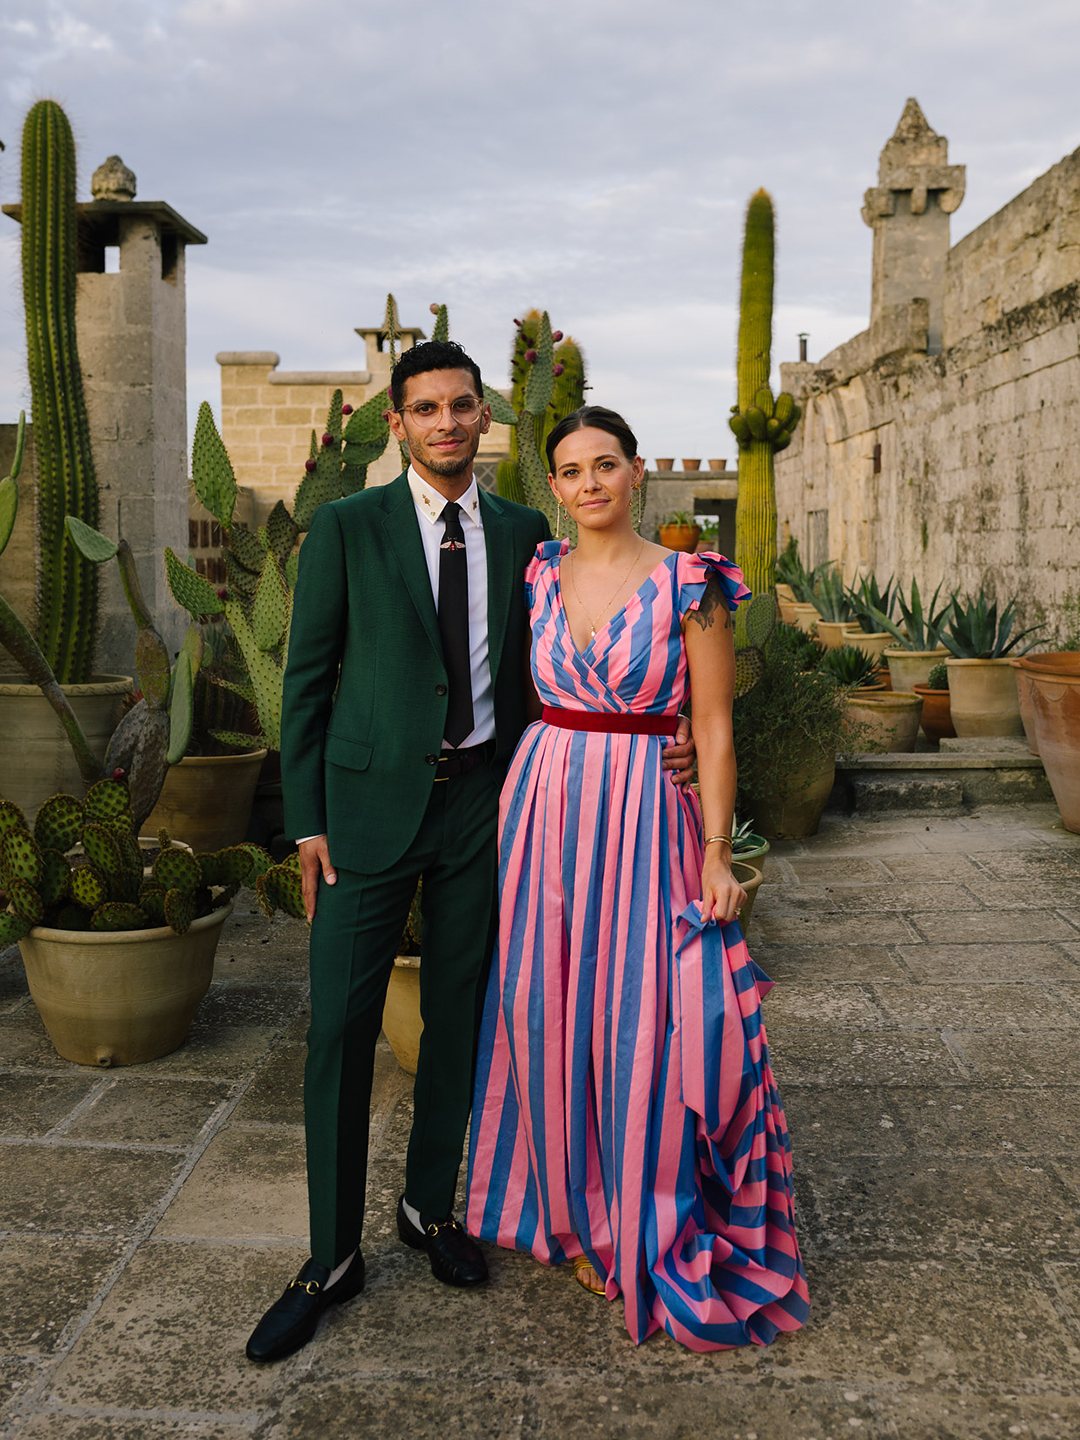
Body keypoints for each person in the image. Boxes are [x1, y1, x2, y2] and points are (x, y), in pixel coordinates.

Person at [245, 346, 694, 1363]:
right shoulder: (348, 528)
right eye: (425, 409)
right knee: (341, 1032)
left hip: (491, 810)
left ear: (484, 417)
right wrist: (306, 818)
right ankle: (328, 1259)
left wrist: (674, 735)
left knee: (463, 1017)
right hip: (363, 815)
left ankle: (429, 1210)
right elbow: (307, 680)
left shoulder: (528, 534)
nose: (447, 422)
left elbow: (572, 656)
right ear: (397, 424)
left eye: (462, 406)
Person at [465, 405, 809, 1352]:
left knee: (644, 1020)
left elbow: (715, 730)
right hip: (544, 811)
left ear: (637, 470)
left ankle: (640, 1217)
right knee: (548, 1012)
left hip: (647, 818)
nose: (589, 486)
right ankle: (570, 1215)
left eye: (605, 466)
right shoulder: (538, 573)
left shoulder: (692, 585)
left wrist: (715, 849)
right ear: (556, 487)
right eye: (570, 472)